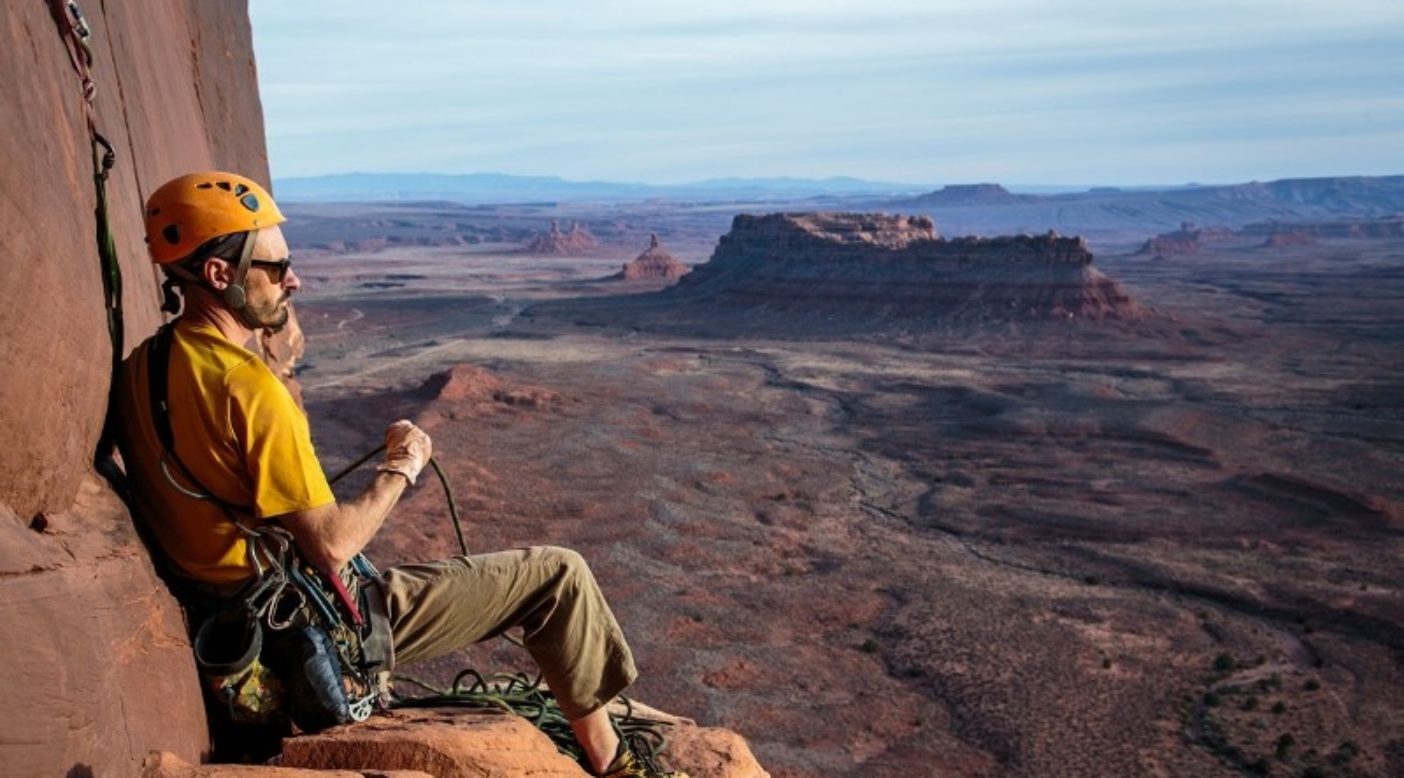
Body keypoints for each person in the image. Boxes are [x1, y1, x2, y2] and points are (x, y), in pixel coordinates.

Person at [114, 171, 677, 778]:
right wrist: (401, 467)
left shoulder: (143, 366)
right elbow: (331, 546)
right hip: (301, 623)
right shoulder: (249, 389)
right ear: (220, 275)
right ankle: (617, 764)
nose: (294, 280)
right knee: (558, 576)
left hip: (220, 614)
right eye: (276, 268)